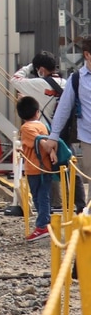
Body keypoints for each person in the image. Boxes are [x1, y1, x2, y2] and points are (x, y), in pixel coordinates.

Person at [51, 36, 91, 215]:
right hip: (88, 138)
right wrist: (53, 136)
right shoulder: (76, 80)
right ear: (87, 55)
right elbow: (63, 109)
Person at [19, 94, 56, 241]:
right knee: (44, 195)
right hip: (46, 167)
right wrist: (52, 151)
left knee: (39, 196)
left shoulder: (26, 128)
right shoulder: (42, 125)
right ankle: (45, 222)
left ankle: (42, 226)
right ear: (37, 112)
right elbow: (46, 140)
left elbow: (39, 141)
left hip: (34, 168)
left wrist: (48, 148)